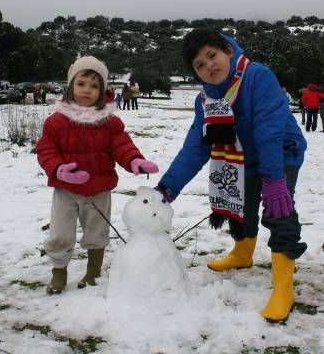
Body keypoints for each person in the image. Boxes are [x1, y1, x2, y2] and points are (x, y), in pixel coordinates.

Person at [154, 28, 307, 323]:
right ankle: (243, 252)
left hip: (281, 151)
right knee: (241, 206)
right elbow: (197, 146)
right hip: (243, 158)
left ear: (227, 49)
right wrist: (167, 188)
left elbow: (269, 130)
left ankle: (283, 287)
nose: (209, 66)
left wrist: (275, 180)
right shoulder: (206, 101)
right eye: (199, 65)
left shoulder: (257, 77)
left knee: (279, 210)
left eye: (212, 56)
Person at [36, 56, 159, 294]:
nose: (87, 90)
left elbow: (122, 146)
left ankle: (93, 271)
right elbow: (46, 150)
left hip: (98, 189)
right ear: (71, 85)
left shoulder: (109, 122)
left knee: (97, 231)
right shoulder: (56, 122)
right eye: (81, 84)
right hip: (66, 190)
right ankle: (59, 272)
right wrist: (59, 169)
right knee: (61, 232)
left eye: (94, 86)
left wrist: (134, 160)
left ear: (103, 91)